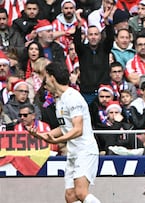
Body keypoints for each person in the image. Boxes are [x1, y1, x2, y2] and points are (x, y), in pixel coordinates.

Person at [27, 62, 100, 203]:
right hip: (73, 152)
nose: (44, 82)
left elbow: (78, 130)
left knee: (81, 192)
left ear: (52, 78)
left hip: (85, 150)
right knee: (70, 196)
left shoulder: (73, 97)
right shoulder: (60, 100)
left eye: (46, 78)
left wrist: (57, 141)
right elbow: (64, 127)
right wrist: (41, 135)